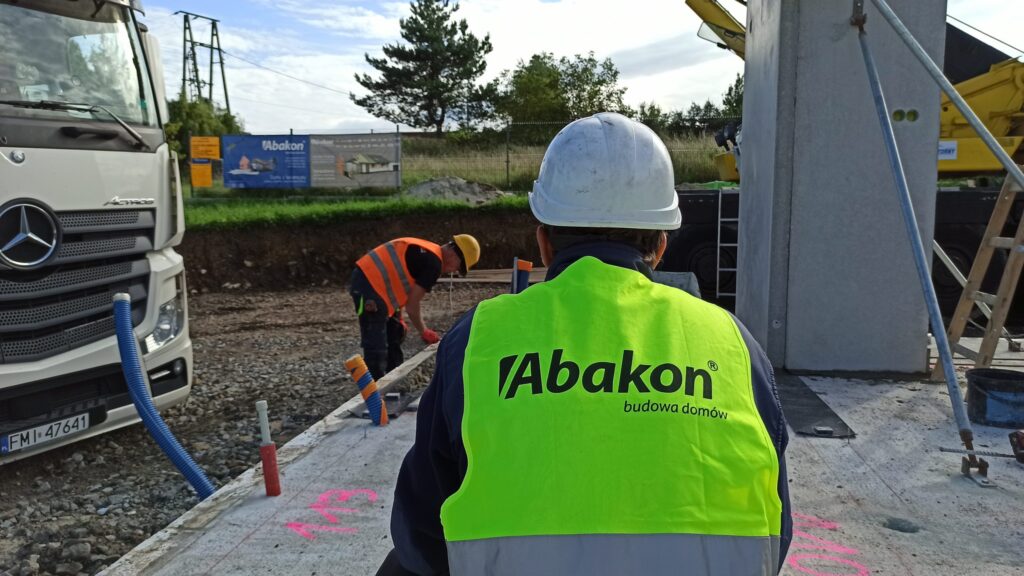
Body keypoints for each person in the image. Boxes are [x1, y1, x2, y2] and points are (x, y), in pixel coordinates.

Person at [379, 112, 791, 576]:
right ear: (660, 247)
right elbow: (775, 527)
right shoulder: (732, 343)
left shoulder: (479, 338)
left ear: (544, 244)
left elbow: (420, 535)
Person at [349, 235, 480, 379]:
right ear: (454, 255)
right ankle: (374, 388)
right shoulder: (434, 264)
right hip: (369, 283)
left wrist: (398, 315)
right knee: (376, 343)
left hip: (372, 282)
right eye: (459, 267)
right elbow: (412, 305)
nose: (454, 271)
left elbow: (399, 279)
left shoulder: (429, 251)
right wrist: (424, 331)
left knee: (395, 332)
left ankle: (394, 380)